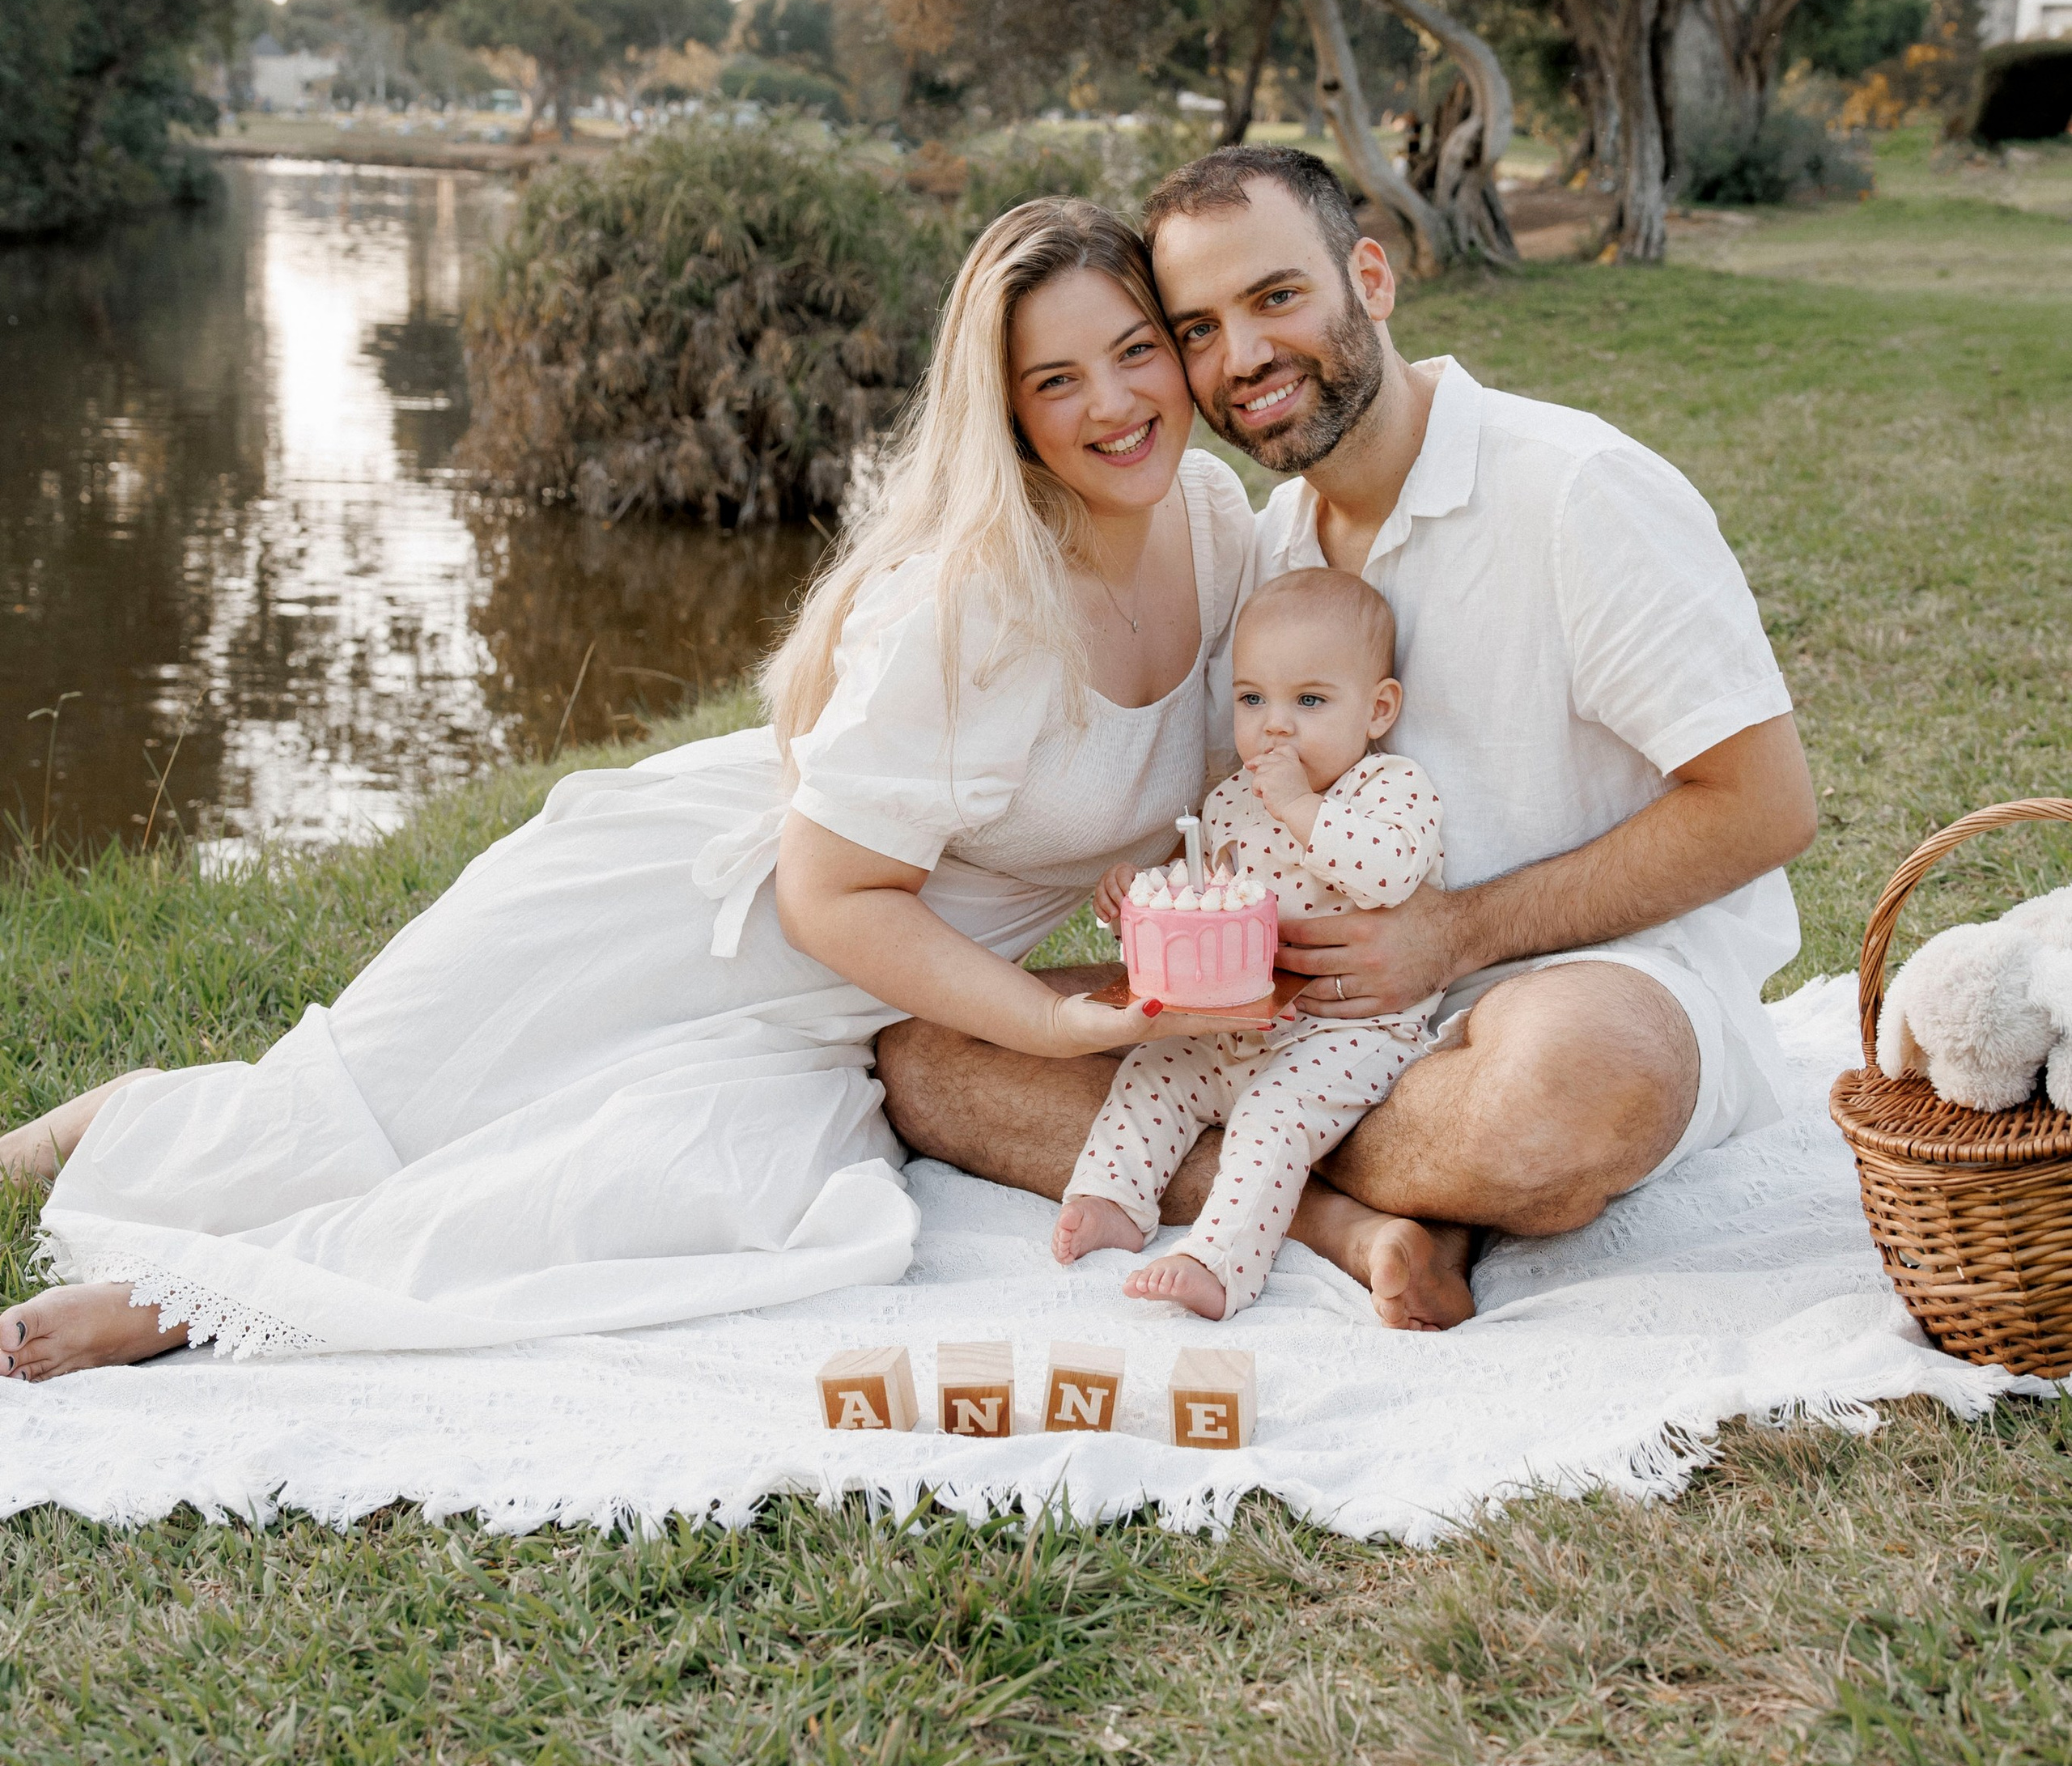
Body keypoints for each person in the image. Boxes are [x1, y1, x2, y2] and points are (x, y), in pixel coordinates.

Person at [0, 198, 1255, 1378]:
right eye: (1056, 380)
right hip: (704, 912)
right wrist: (1044, 1024)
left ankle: (215, 1292)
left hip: (834, 1016)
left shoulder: (1213, 519)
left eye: (1137, 351)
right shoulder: (971, 600)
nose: (1115, 403)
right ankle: (109, 1160)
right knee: (355, 1121)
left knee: (681, 1194)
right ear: (1010, 413)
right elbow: (831, 895)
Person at [877, 145, 1819, 1328]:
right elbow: (1244, 823)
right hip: (1299, 1017)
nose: (1246, 357)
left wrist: (1451, 937)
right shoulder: (1266, 550)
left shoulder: (1576, 490)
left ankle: (1320, 1167)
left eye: (1276, 298)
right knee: (932, 1060)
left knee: (1565, 1096)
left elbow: (1766, 802)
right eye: (1200, 328)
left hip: (1569, 985)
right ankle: (1357, 1222)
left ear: (1370, 278)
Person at [1055, 566, 1442, 1318]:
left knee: (1273, 1116)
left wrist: (1299, 805)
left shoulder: (1393, 788)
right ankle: (1114, 1199)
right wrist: (1135, 897)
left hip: (1346, 1033)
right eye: (1252, 698)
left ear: (1378, 709)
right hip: (1234, 1023)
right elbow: (1205, 889)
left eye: (1310, 701)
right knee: (1151, 1068)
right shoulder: (1232, 798)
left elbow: (1389, 875)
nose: (1275, 725)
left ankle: (1221, 1260)